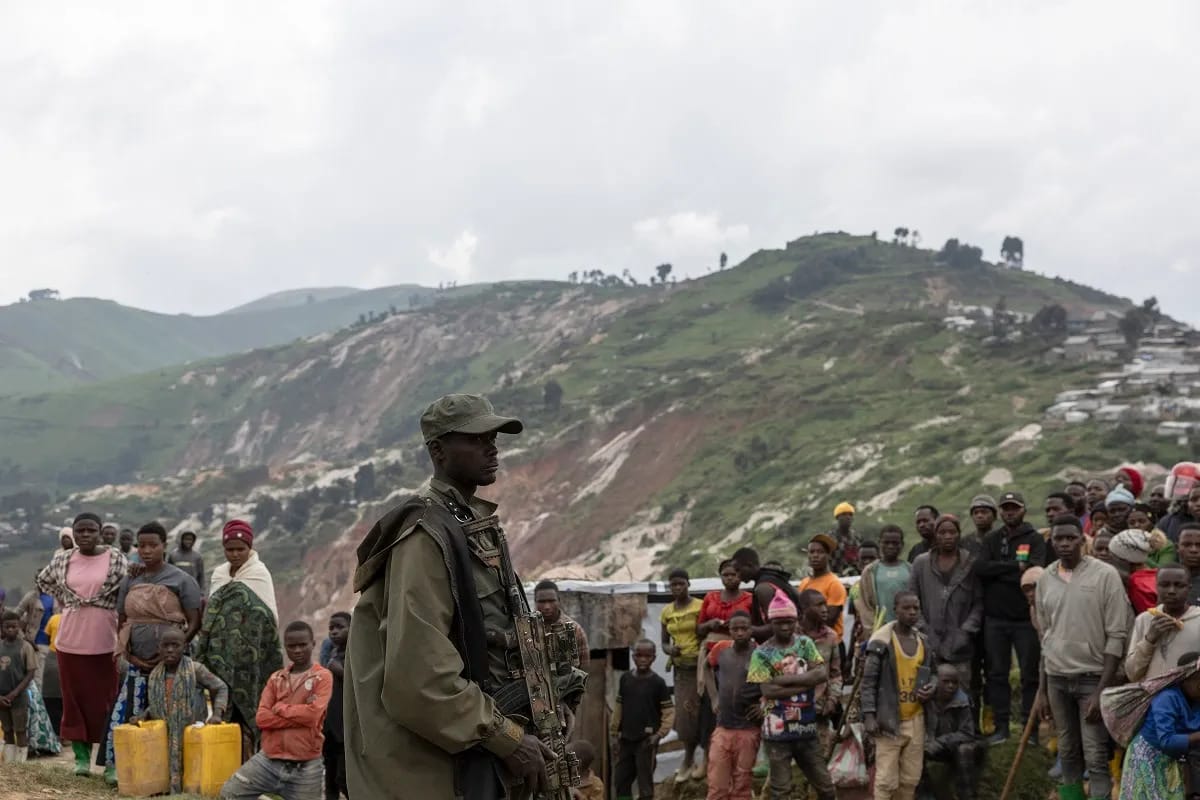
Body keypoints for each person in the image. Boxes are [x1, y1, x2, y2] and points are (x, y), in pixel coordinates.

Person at [344, 394, 560, 800]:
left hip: (462, 762)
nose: (491, 447)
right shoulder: (426, 535)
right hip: (431, 774)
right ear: (438, 451)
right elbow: (419, 676)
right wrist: (506, 737)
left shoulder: (465, 523)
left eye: (493, 437)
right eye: (476, 438)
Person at [1035, 514, 1133, 800]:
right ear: (1051, 542)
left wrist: (1102, 689)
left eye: (1070, 538)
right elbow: (1045, 637)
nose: (1065, 544)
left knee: (1094, 753)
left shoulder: (1105, 575)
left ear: (1082, 539)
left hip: (1092, 679)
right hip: (1056, 678)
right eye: (1058, 539)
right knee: (1066, 750)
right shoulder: (1045, 578)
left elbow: (1117, 634)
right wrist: (1042, 690)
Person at [104, 521, 203, 784]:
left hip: (172, 663)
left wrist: (171, 653)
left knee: (171, 713)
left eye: (153, 545)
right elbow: (122, 618)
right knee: (131, 713)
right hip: (135, 660)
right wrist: (128, 653)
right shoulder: (131, 578)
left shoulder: (182, 579)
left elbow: (194, 621)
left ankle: (173, 772)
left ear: (164, 546)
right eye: (142, 545)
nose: (146, 551)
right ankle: (127, 767)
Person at [36, 512, 129, 776]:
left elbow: (127, 587)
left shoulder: (116, 558)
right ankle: (80, 759)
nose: (85, 535)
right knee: (74, 701)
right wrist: (69, 600)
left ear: (100, 532)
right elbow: (43, 580)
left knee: (106, 702)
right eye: (80, 531)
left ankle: (108, 762)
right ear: (73, 533)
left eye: (90, 530)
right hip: (69, 642)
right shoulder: (63, 558)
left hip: (105, 642)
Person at [195, 519, 284, 760]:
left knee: (247, 717)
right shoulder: (219, 574)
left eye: (240, 549)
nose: (234, 554)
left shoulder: (259, 574)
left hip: (250, 661)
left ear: (250, 547)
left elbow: (266, 618)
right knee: (220, 712)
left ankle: (247, 770)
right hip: (218, 658)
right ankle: (220, 768)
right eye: (229, 549)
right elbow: (211, 615)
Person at [220, 621, 333, 800]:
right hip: (269, 760)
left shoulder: (322, 677)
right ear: (285, 647)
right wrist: (299, 714)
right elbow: (262, 718)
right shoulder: (276, 678)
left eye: (302, 645)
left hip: (306, 766)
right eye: (291, 646)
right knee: (230, 793)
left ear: (313, 644)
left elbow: (313, 716)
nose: (297, 650)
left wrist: (280, 708)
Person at [746, 590, 834, 800]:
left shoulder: (805, 644)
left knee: (826, 788)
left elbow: (822, 673)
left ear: (796, 620)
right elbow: (767, 691)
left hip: (807, 728)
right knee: (781, 790)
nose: (785, 627)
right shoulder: (761, 652)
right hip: (777, 733)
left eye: (789, 621)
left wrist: (782, 681)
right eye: (779, 622)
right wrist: (806, 683)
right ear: (770, 622)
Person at [975, 490, 1045, 745]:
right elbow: (980, 568)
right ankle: (1001, 728)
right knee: (996, 675)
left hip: (1025, 619)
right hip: (995, 619)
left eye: (1013, 507)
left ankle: (1031, 730)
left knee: (1030, 676)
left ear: (1023, 510)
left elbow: (1035, 572)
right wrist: (1014, 568)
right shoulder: (993, 539)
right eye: (1005, 508)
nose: (1008, 512)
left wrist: (1000, 570)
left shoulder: (1035, 538)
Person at [862, 591, 933, 800]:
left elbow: (934, 673)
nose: (912, 612)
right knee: (885, 781)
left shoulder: (923, 642)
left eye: (916, 608)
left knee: (910, 779)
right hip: (889, 720)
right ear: (896, 610)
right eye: (906, 608)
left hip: (916, 718)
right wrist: (869, 715)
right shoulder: (881, 642)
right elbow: (868, 683)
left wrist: (932, 687)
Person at [140, 628, 228, 793]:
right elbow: (161, 702)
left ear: (185, 647)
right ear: (159, 648)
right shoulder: (155, 674)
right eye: (165, 646)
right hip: (164, 735)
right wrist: (144, 715)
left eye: (175, 645)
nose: (170, 650)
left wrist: (217, 714)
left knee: (193, 771)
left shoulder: (196, 670)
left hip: (191, 733)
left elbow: (221, 687)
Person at [908, 514, 983, 688]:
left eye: (952, 532)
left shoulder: (970, 563)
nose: (948, 536)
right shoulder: (921, 563)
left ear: (959, 534)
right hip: (927, 643)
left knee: (962, 694)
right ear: (935, 535)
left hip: (960, 646)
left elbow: (979, 602)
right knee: (927, 693)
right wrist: (924, 630)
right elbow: (912, 598)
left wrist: (965, 632)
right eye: (942, 532)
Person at [1117, 652, 1200, 800]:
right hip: (1147, 757)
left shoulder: (1196, 700)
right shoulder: (1167, 698)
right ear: (1184, 679)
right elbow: (1167, 741)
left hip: (1172, 759)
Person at [696, 560, 754, 758]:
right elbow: (699, 628)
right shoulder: (710, 597)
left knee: (738, 698)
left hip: (739, 656)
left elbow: (754, 625)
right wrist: (711, 624)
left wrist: (736, 627)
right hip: (713, 655)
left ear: (741, 576)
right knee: (710, 705)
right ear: (720, 576)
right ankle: (708, 754)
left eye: (734, 574)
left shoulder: (749, 599)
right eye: (726, 574)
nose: (730, 578)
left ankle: (740, 751)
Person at [705, 611, 758, 800]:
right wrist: (713, 697)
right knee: (717, 782)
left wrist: (764, 708)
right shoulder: (721, 649)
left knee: (742, 782)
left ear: (751, 629)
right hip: (723, 726)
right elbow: (706, 667)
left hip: (748, 729)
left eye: (744, 628)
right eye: (735, 629)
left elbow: (771, 685)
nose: (740, 633)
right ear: (729, 630)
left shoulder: (759, 653)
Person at [611, 640, 674, 800]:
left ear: (653, 658)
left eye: (647, 656)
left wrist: (658, 735)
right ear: (633, 657)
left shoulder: (658, 683)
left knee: (645, 785)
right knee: (621, 781)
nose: (643, 659)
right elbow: (619, 707)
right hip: (626, 739)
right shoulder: (625, 679)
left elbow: (669, 712)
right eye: (639, 655)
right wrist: (614, 733)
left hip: (646, 742)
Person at [660, 567, 705, 781]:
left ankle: (706, 758)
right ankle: (688, 758)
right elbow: (663, 643)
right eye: (673, 585)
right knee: (685, 714)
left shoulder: (700, 606)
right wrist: (670, 650)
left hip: (701, 666)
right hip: (681, 670)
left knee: (704, 712)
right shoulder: (667, 611)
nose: (677, 588)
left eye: (681, 584)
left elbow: (705, 633)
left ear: (689, 584)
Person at [920, 663, 986, 800]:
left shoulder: (962, 701)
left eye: (954, 682)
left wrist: (940, 742)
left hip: (957, 746)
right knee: (914, 751)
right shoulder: (926, 697)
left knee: (964, 750)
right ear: (936, 682)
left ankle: (967, 795)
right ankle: (925, 794)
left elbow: (967, 733)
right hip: (931, 744)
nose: (951, 686)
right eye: (946, 682)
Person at [1126, 564, 1200, 681]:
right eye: (1165, 585)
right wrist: (1149, 639)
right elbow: (1132, 673)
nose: (1171, 591)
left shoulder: (1197, 619)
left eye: (1179, 585)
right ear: (1156, 587)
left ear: (1189, 588)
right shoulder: (1144, 619)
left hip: (1188, 698)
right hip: (1152, 697)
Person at [796, 590, 842, 754]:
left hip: (820, 709)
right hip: (792, 708)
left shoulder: (831, 637)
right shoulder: (791, 635)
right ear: (804, 609)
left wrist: (832, 699)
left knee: (819, 758)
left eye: (825, 604)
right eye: (819, 605)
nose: (825, 609)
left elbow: (835, 674)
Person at [731, 548, 803, 643]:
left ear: (749, 565)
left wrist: (745, 628)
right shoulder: (777, 579)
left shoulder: (763, 588)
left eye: (738, 570)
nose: (737, 575)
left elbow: (775, 626)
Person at [858, 525, 912, 634]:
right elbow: (865, 605)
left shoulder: (910, 569)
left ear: (902, 545)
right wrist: (873, 630)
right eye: (886, 543)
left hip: (907, 628)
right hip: (881, 630)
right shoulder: (870, 571)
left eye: (895, 543)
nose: (890, 546)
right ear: (880, 543)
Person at [0, 611, 36, 764]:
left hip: (19, 697)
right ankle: (9, 764)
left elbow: (30, 673)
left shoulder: (26, 647)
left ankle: (21, 766)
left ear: (19, 626)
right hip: (1, 698)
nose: (10, 630)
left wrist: (14, 693)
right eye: (7, 627)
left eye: (14, 626)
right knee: (7, 730)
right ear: (2, 627)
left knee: (20, 730)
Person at [798, 534, 847, 638]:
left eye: (820, 552)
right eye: (811, 552)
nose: (815, 555)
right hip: (807, 641)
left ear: (828, 556)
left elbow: (829, 620)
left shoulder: (834, 584)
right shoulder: (804, 583)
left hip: (829, 643)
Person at [323, 612, 349, 800]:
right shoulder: (331, 653)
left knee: (344, 779)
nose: (334, 632)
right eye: (331, 628)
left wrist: (339, 670)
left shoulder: (355, 654)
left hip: (345, 728)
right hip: (330, 728)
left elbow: (358, 681)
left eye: (339, 627)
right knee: (330, 777)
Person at [534, 580, 590, 665]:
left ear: (559, 600)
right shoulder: (527, 628)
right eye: (542, 602)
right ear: (535, 602)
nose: (547, 607)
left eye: (551, 601)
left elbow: (584, 667)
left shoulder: (575, 629)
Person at [1109, 528, 1163, 613]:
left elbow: (1148, 617)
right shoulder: (1156, 573)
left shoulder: (1137, 584)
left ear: (1124, 560)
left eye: (1114, 556)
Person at [15, 580, 54, 686]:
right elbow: (15, 616)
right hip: (32, 641)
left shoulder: (56, 597)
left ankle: (37, 702)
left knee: (41, 679)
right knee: (30, 677)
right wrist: (23, 637)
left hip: (48, 644)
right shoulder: (31, 596)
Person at [828, 502, 861, 576]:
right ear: (837, 518)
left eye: (850, 515)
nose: (848, 517)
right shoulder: (830, 537)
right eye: (844, 514)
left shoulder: (856, 537)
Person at [1179, 524, 1200, 605]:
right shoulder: (1164, 580)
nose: (1193, 550)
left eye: (1199, 545)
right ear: (1177, 547)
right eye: (1187, 545)